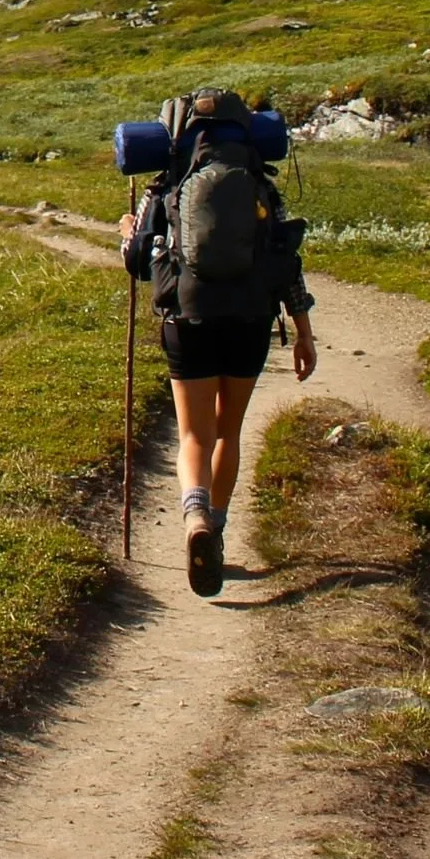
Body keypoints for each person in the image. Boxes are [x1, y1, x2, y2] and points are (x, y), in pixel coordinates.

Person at [120, 89, 316, 598]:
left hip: (188, 316)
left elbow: (138, 258)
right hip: (251, 317)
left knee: (193, 435)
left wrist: (126, 231)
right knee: (229, 430)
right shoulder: (258, 182)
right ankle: (219, 529)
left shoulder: (168, 181)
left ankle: (194, 520)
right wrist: (303, 332)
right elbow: (284, 258)